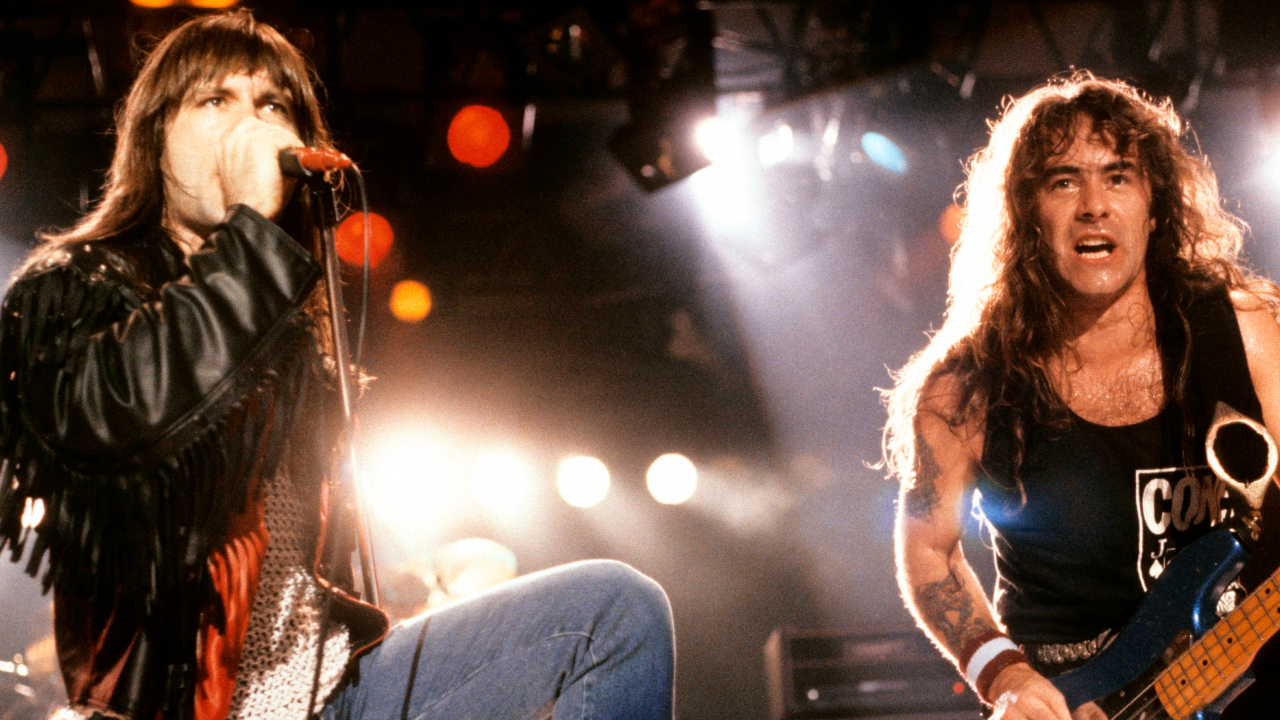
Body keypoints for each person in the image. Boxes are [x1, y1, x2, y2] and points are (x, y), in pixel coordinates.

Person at [0, 11, 674, 720]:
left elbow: (290, 548)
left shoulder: (283, 323)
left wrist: (421, 572)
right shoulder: (75, 283)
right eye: (215, 101)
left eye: (271, 105)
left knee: (614, 613)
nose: (249, 128)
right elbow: (118, 417)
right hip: (185, 705)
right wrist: (252, 238)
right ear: (156, 133)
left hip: (331, 690)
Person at [883, 72, 1280, 720]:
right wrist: (1004, 676)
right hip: (1077, 704)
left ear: (1155, 207)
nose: (1094, 204)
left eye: (1118, 176)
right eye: (1064, 180)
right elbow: (929, 549)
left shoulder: (1244, 335)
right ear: (1026, 214)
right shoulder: (971, 386)